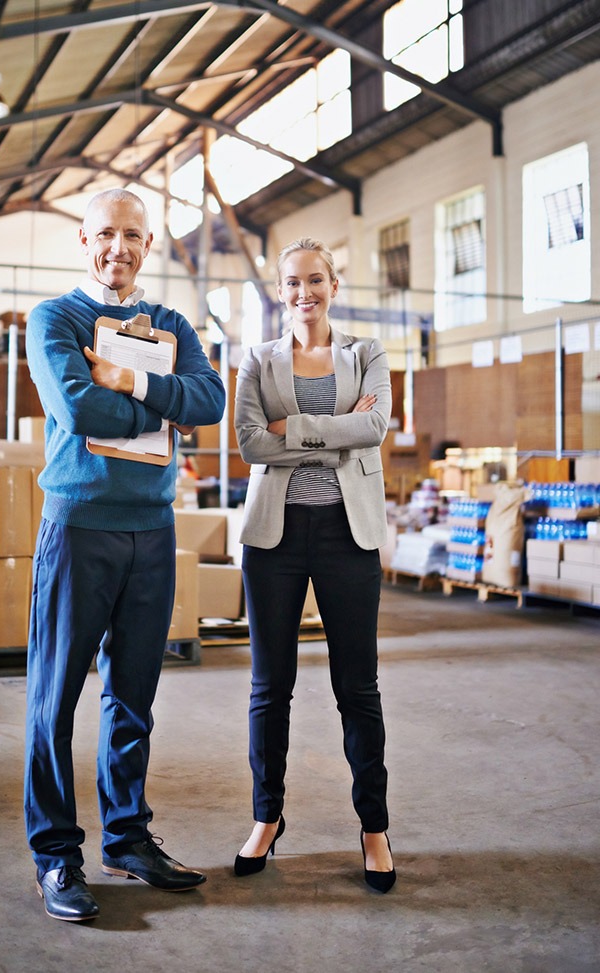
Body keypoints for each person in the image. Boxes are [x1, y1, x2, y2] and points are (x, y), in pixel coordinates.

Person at [24, 188, 226, 921]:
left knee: (133, 697)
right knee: (54, 699)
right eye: (106, 233)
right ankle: (56, 856)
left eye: (133, 235)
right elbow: (78, 408)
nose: (119, 246)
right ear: (83, 239)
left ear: (150, 243)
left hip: (152, 528)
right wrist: (161, 403)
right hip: (80, 525)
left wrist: (133, 382)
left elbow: (209, 402)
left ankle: (127, 837)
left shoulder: (171, 325)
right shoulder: (54, 318)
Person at [233, 237, 396, 893]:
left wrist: (293, 431)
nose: (305, 292)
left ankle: (375, 828)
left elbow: (377, 424)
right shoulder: (257, 359)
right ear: (281, 290)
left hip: (347, 534)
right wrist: (333, 428)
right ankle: (265, 819)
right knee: (270, 686)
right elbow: (249, 443)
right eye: (293, 282)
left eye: (316, 280)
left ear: (334, 282)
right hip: (274, 537)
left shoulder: (367, 354)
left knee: (357, 686)